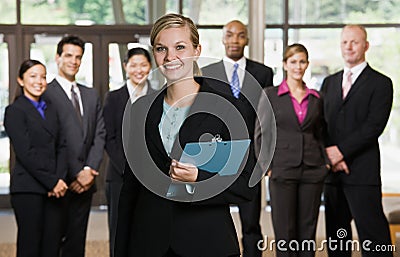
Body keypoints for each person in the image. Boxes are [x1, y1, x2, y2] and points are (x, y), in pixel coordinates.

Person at [115, 13, 257, 257]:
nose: (170, 57)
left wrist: (200, 177)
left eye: (180, 47)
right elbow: (130, 188)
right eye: (162, 49)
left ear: (197, 50)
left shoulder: (228, 108)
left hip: (206, 241)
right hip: (148, 241)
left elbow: (245, 184)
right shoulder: (140, 109)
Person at [202, 19, 274, 257]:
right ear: (223, 38)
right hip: (218, 156)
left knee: (251, 221)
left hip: (251, 159)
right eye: (230, 35)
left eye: (240, 35)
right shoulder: (207, 73)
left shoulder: (263, 73)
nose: (235, 40)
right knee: (214, 218)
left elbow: (267, 120)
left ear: (247, 39)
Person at [321, 25, 393, 256]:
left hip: (362, 173)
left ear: (366, 46)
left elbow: (373, 127)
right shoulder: (329, 83)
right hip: (333, 174)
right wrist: (330, 155)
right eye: (345, 42)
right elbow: (321, 122)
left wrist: (340, 152)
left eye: (355, 42)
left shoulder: (381, 83)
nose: (349, 47)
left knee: (374, 239)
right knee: (337, 239)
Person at [255, 44, 329, 257]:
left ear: (307, 64)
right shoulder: (270, 95)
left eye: (302, 61)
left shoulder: (316, 97)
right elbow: (260, 134)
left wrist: (325, 162)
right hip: (282, 169)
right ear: (285, 64)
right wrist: (266, 167)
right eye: (294, 62)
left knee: (308, 231)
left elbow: (322, 132)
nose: (298, 66)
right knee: (284, 232)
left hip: (313, 169)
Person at [44, 35, 106, 257]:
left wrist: (89, 170)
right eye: (68, 55)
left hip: (86, 183)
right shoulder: (45, 93)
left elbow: (100, 133)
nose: (73, 61)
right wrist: (75, 172)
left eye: (78, 57)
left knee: (77, 242)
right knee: (53, 242)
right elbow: (50, 140)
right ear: (58, 58)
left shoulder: (90, 95)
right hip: (58, 181)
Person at [4, 59, 68, 257]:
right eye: (33, 76)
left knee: (52, 246)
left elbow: (62, 146)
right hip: (28, 189)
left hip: (55, 189)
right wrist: (51, 182)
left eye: (43, 77)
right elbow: (25, 153)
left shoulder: (51, 109)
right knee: (30, 246)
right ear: (20, 80)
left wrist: (58, 180)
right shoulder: (14, 111)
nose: (39, 81)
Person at [103, 47, 156, 257]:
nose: (138, 70)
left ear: (150, 67)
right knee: (119, 231)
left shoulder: (159, 96)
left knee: (148, 230)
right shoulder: (114, 98)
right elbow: (109, 137)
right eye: (133, 65)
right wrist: (128, 168)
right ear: (126, 67)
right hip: (119, 176)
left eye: (143, 65)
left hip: (151, 177)